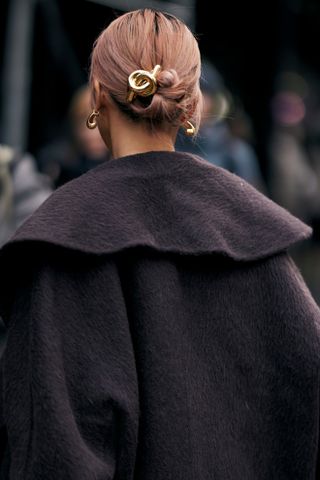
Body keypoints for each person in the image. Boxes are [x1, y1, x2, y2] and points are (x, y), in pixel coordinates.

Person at [0, 8, 319, 479]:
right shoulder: (259, 240)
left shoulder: (64, 245)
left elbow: (54, 453)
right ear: (191, 106)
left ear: (96, 96)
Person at [175, 58, 266, 192]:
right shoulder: (164, 145)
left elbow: (254, 207)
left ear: (215, 102)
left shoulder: (235, 152)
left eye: (202, 94)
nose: (193, 101)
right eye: (187, 94)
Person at [37, 84, 111, 187]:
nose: (92, 135)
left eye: (99, 124)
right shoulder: (58, 163)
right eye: (85, 123)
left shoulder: (121, 164)